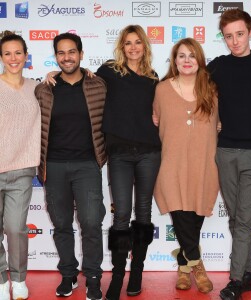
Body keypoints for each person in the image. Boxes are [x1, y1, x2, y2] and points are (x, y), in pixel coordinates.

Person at [206, 9, 251, 300]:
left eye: (239, 34)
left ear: (250, 32)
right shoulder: (218, 66)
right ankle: (247, 275)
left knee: (243, 220)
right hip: (223, 152)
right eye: (228, 36)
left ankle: (235, 280)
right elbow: (186, 84)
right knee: (235, 218)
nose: (234, 41)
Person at [35, 32, 106, 300]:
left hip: (87, 164)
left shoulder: (98, 85)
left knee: (91, 222)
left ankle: (94, 277)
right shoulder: (44, 89)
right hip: (53, 166)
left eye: (72, 52)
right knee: (62, 222)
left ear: (81, 54)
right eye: (61, 53)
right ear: (56, 57)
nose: (67, 57)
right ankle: (68, 275)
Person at [95, 25, 161, 300]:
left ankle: (137, 273)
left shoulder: (154, 77)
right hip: (119, 153)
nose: (133, 47)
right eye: (128, 43)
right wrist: (53, 75)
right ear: (121, 47)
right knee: (121, 214)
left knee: (144, 215)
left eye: (138, 43)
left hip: (149, 152)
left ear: (145, 46)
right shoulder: (109, 71)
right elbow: (84, 84)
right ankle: (118, 274)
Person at [153, 38, 219, 294]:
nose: (187, 60)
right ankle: (198, 268)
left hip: (204, 165)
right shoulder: (161, 90)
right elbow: (157, 121)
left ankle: (183, 267)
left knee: (194, 221)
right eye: (181, 56)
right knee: (181, 217)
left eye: (192, 55)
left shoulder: (212, 90)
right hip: (172, 164)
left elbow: (219, 124)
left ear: (200, 59)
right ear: (174, 60)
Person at [0, 32, 41, 300]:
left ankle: (18, 278)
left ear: (26, 56)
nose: (13, 58)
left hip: (22, 170)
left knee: (15, 228)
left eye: (18, 53)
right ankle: (1, 280)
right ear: (1, 57)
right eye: (7, 53)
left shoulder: (37, 87)